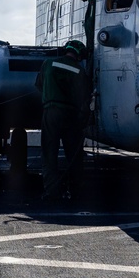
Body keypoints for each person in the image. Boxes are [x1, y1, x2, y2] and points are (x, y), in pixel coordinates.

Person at [37, 39, 89, 202]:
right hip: (71, 115)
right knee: (74, 154)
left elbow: (39, 85)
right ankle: (76, 191)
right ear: (79, 55)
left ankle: (52, 192)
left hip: (51, 112)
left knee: (49, 153)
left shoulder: (48, 63)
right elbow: (84, 97)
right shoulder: (80, 71)